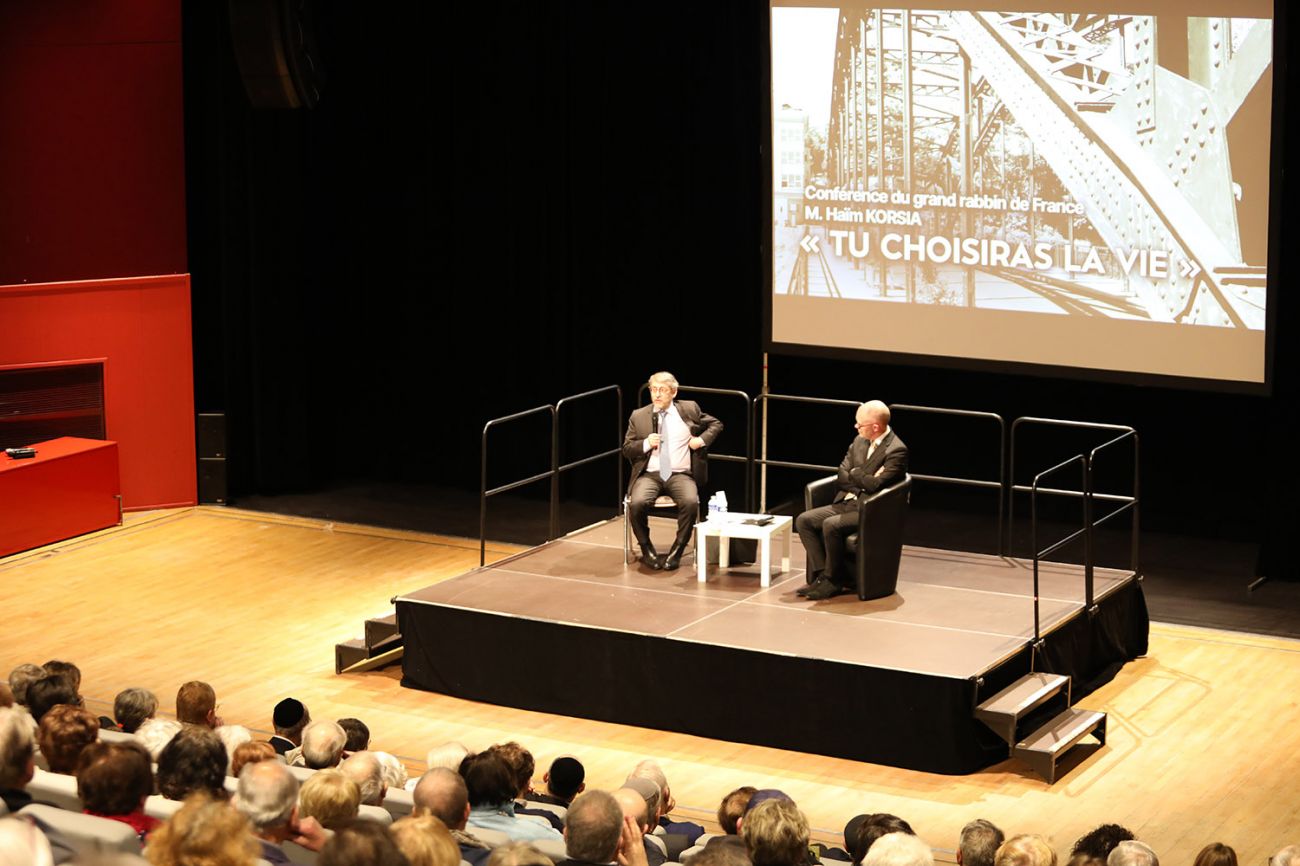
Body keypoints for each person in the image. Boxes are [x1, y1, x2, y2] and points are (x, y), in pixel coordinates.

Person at [795, 400, 907, 600]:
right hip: (847, 501)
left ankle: (833, 580)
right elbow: (842, 476)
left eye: (860, 424)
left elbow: (876, 487)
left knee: (831, 525)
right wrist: (862, 478)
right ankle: (823, 576)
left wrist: (856, 474)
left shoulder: (896, 450)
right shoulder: (859, 441)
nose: (856, 427)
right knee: (804, 520)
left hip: (869, 508)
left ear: (875, 427)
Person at [622, 371, 723, 571]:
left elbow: (716, 424)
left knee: (690, 502)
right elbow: (627, 449)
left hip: (680, 474)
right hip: (650, 475)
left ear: (673, 392)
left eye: (662, 390)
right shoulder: (639, 415)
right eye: (653, 390)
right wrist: (645, 444)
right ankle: (646, 548)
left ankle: (677, 550)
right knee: (638, 503)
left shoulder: (689, 409)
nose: (657, 395)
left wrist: (700, 440)